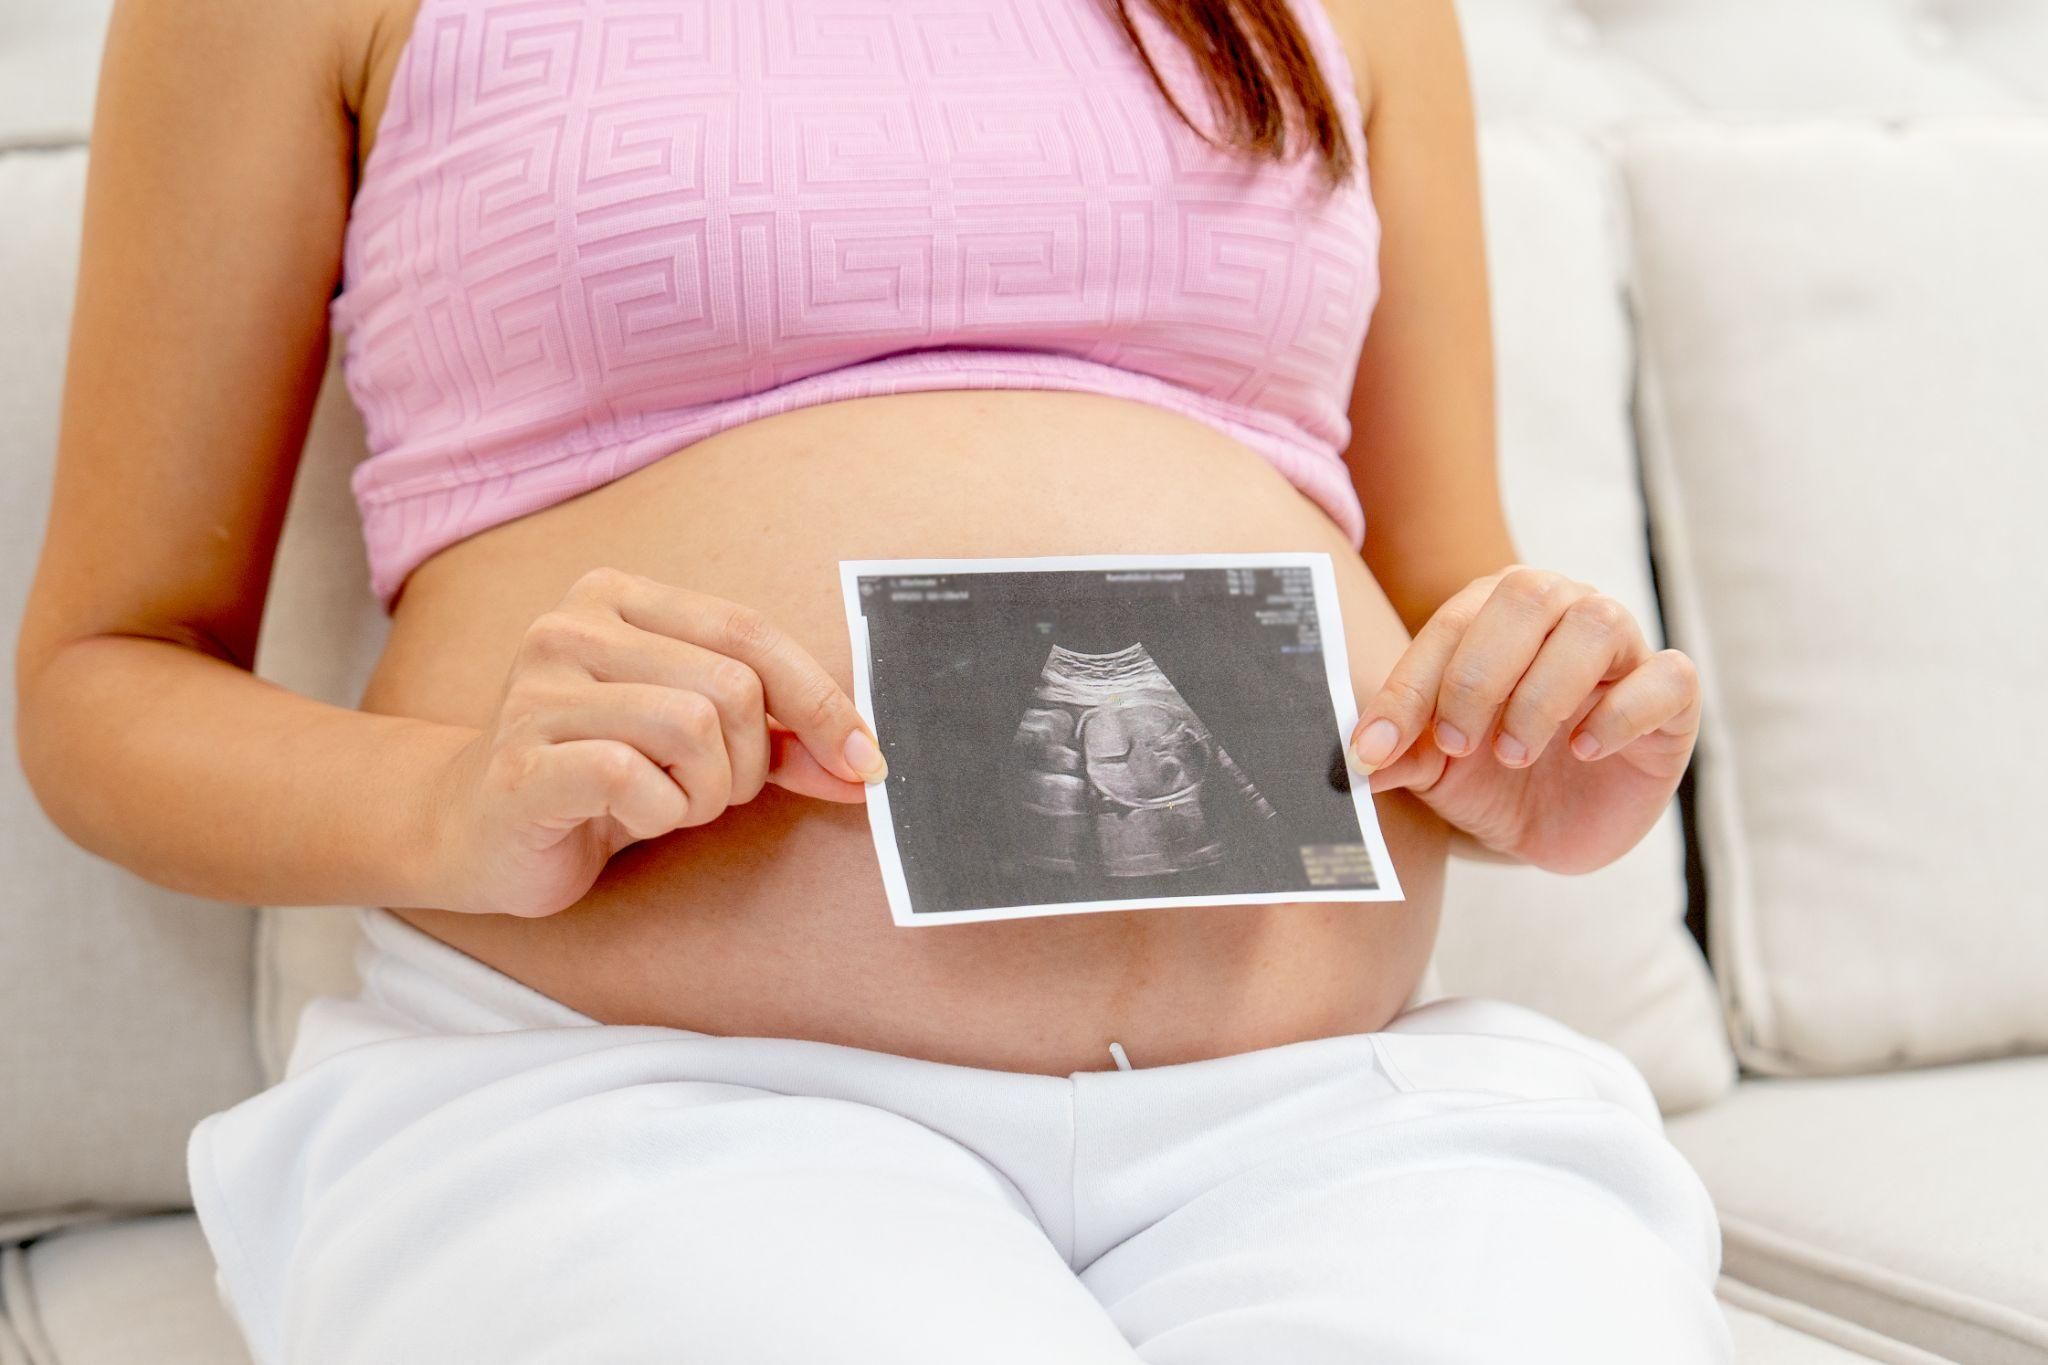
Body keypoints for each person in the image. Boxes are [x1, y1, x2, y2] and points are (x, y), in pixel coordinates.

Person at [15, 0, 1729, 1358]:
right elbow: (110, 673)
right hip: (642, 1097)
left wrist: (1542, 734)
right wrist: (450, 801)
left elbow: (1453, 601)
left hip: (1325, 1112)